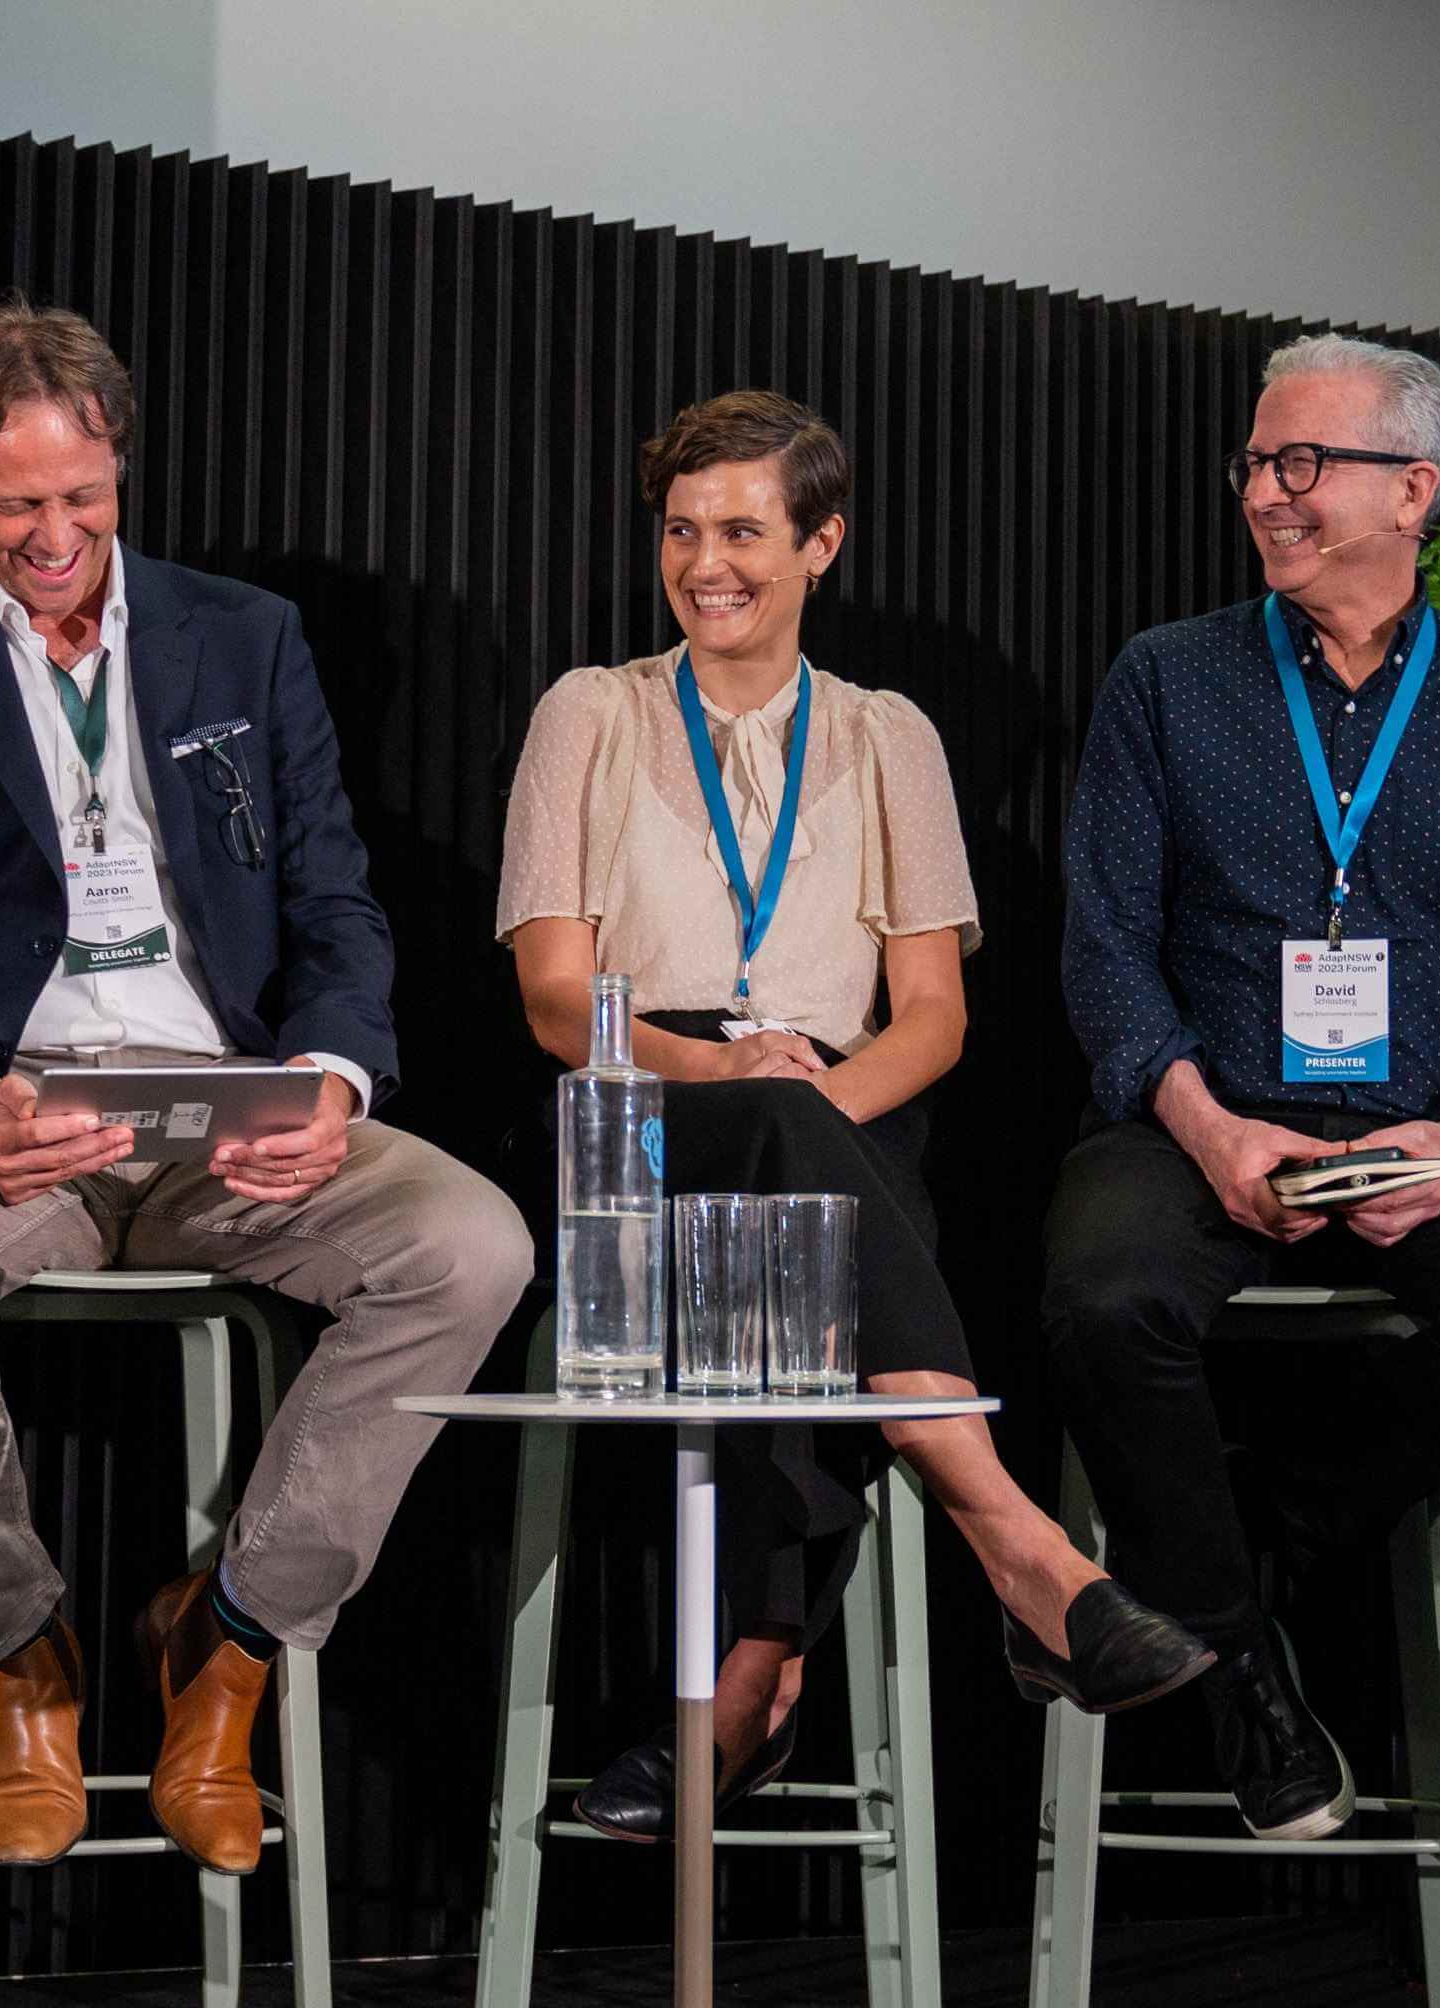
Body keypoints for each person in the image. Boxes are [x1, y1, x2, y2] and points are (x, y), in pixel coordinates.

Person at [0, 301, 533, 1880]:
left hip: (224, 1101)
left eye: (84, 497)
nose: (57, 538)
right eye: (15, 508)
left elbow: (337, 900)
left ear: (119, 466)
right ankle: (19, 1657)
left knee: (472, 1246)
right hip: (4, 1118)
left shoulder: (242, 635)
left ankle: (232, 1639)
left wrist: (327, 1080)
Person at [499, 392, 1214, 1837]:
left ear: (823, 542)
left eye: (746, 531)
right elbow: (561, 1007)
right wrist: (725, 1075)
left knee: (815, 1193)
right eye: (684, 531)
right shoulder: (595, 710)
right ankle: (1013, 1543)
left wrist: (808, 1094)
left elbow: (935, 1019)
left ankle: (749, 1680)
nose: (709, 563)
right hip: (642, 1116)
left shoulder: (892, 737)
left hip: (837, 1104)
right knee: (813, 1182)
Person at [1043, 333, 1440, 1841]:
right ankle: (1237, 1662)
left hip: (1424, 1126)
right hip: (1199, 1116)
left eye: (1305, 464)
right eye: (1256, 463)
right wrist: (1210, 1125)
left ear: (1414, 488)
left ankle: (1258, 1534)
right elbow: (1104, 951)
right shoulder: (1166, 679)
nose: (1267, 495)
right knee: (1103, 1299)